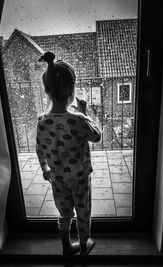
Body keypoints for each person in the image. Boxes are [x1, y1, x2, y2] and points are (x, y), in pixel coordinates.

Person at [36, 51, 101, 256]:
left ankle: (66, 247)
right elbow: (96, 137)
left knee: (64, 212)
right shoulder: (78, 119)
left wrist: (45, 169)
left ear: (47, 90)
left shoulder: (42, 120)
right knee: (83, 212)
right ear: (72, 90)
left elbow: (39, 148)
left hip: (57, 178)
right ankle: (83, 248)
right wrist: (85, 113)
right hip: (80, 178)